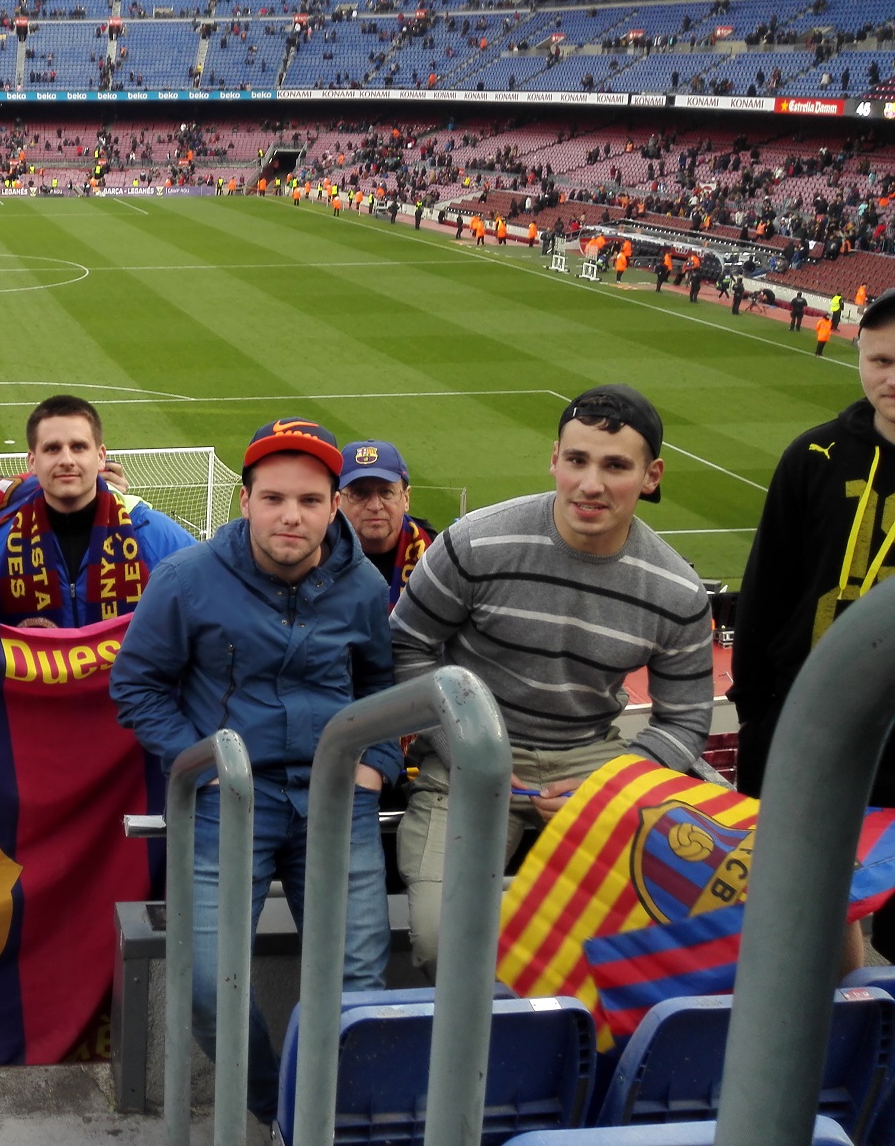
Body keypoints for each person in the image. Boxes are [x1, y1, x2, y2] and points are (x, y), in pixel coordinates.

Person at [110, 416, 397, 1124]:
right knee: (208, 986)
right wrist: (202, 766)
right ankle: (280, 1111)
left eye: (308, 500)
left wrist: (378, 765)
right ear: (245, 501)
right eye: (273, 498)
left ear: (334, 506)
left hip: (336, 796)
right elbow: (136, 686)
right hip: (231, 800)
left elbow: (383, 685)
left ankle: (324, 1119)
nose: (290, 515)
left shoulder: (361, 585)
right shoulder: (187, 579)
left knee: (359, 980)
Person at [390, 385, 714, 976]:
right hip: (470, 751)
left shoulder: (676, 590)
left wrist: (613, 785)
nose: (590, 483)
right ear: (554, 460)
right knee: (442, 941)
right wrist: (461, 741)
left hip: (592, 759)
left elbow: (687, 716)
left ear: (651, 475)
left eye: (615, 465)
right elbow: (407, 644)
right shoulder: (476, 543)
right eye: (577, 460)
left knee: (638, 945)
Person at [730, 289, 895, 924]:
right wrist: (756, 713)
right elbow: (767, 589)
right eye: (879, 360)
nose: (891, 377)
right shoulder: (814, 457)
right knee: (803, 909)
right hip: (806, 721)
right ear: (858, 358)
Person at [0, 395, 193, 626]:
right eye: (53, 448)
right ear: (32, 462)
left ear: (100, 456)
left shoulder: (157, 537)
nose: (67, 460)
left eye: (78, 447)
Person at [338, 440, 436, 608]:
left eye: (386, 492)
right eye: (359, 493)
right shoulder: (314, 557)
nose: (375, 506)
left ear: (406, 498)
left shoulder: (437, 554)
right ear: (337, 501)